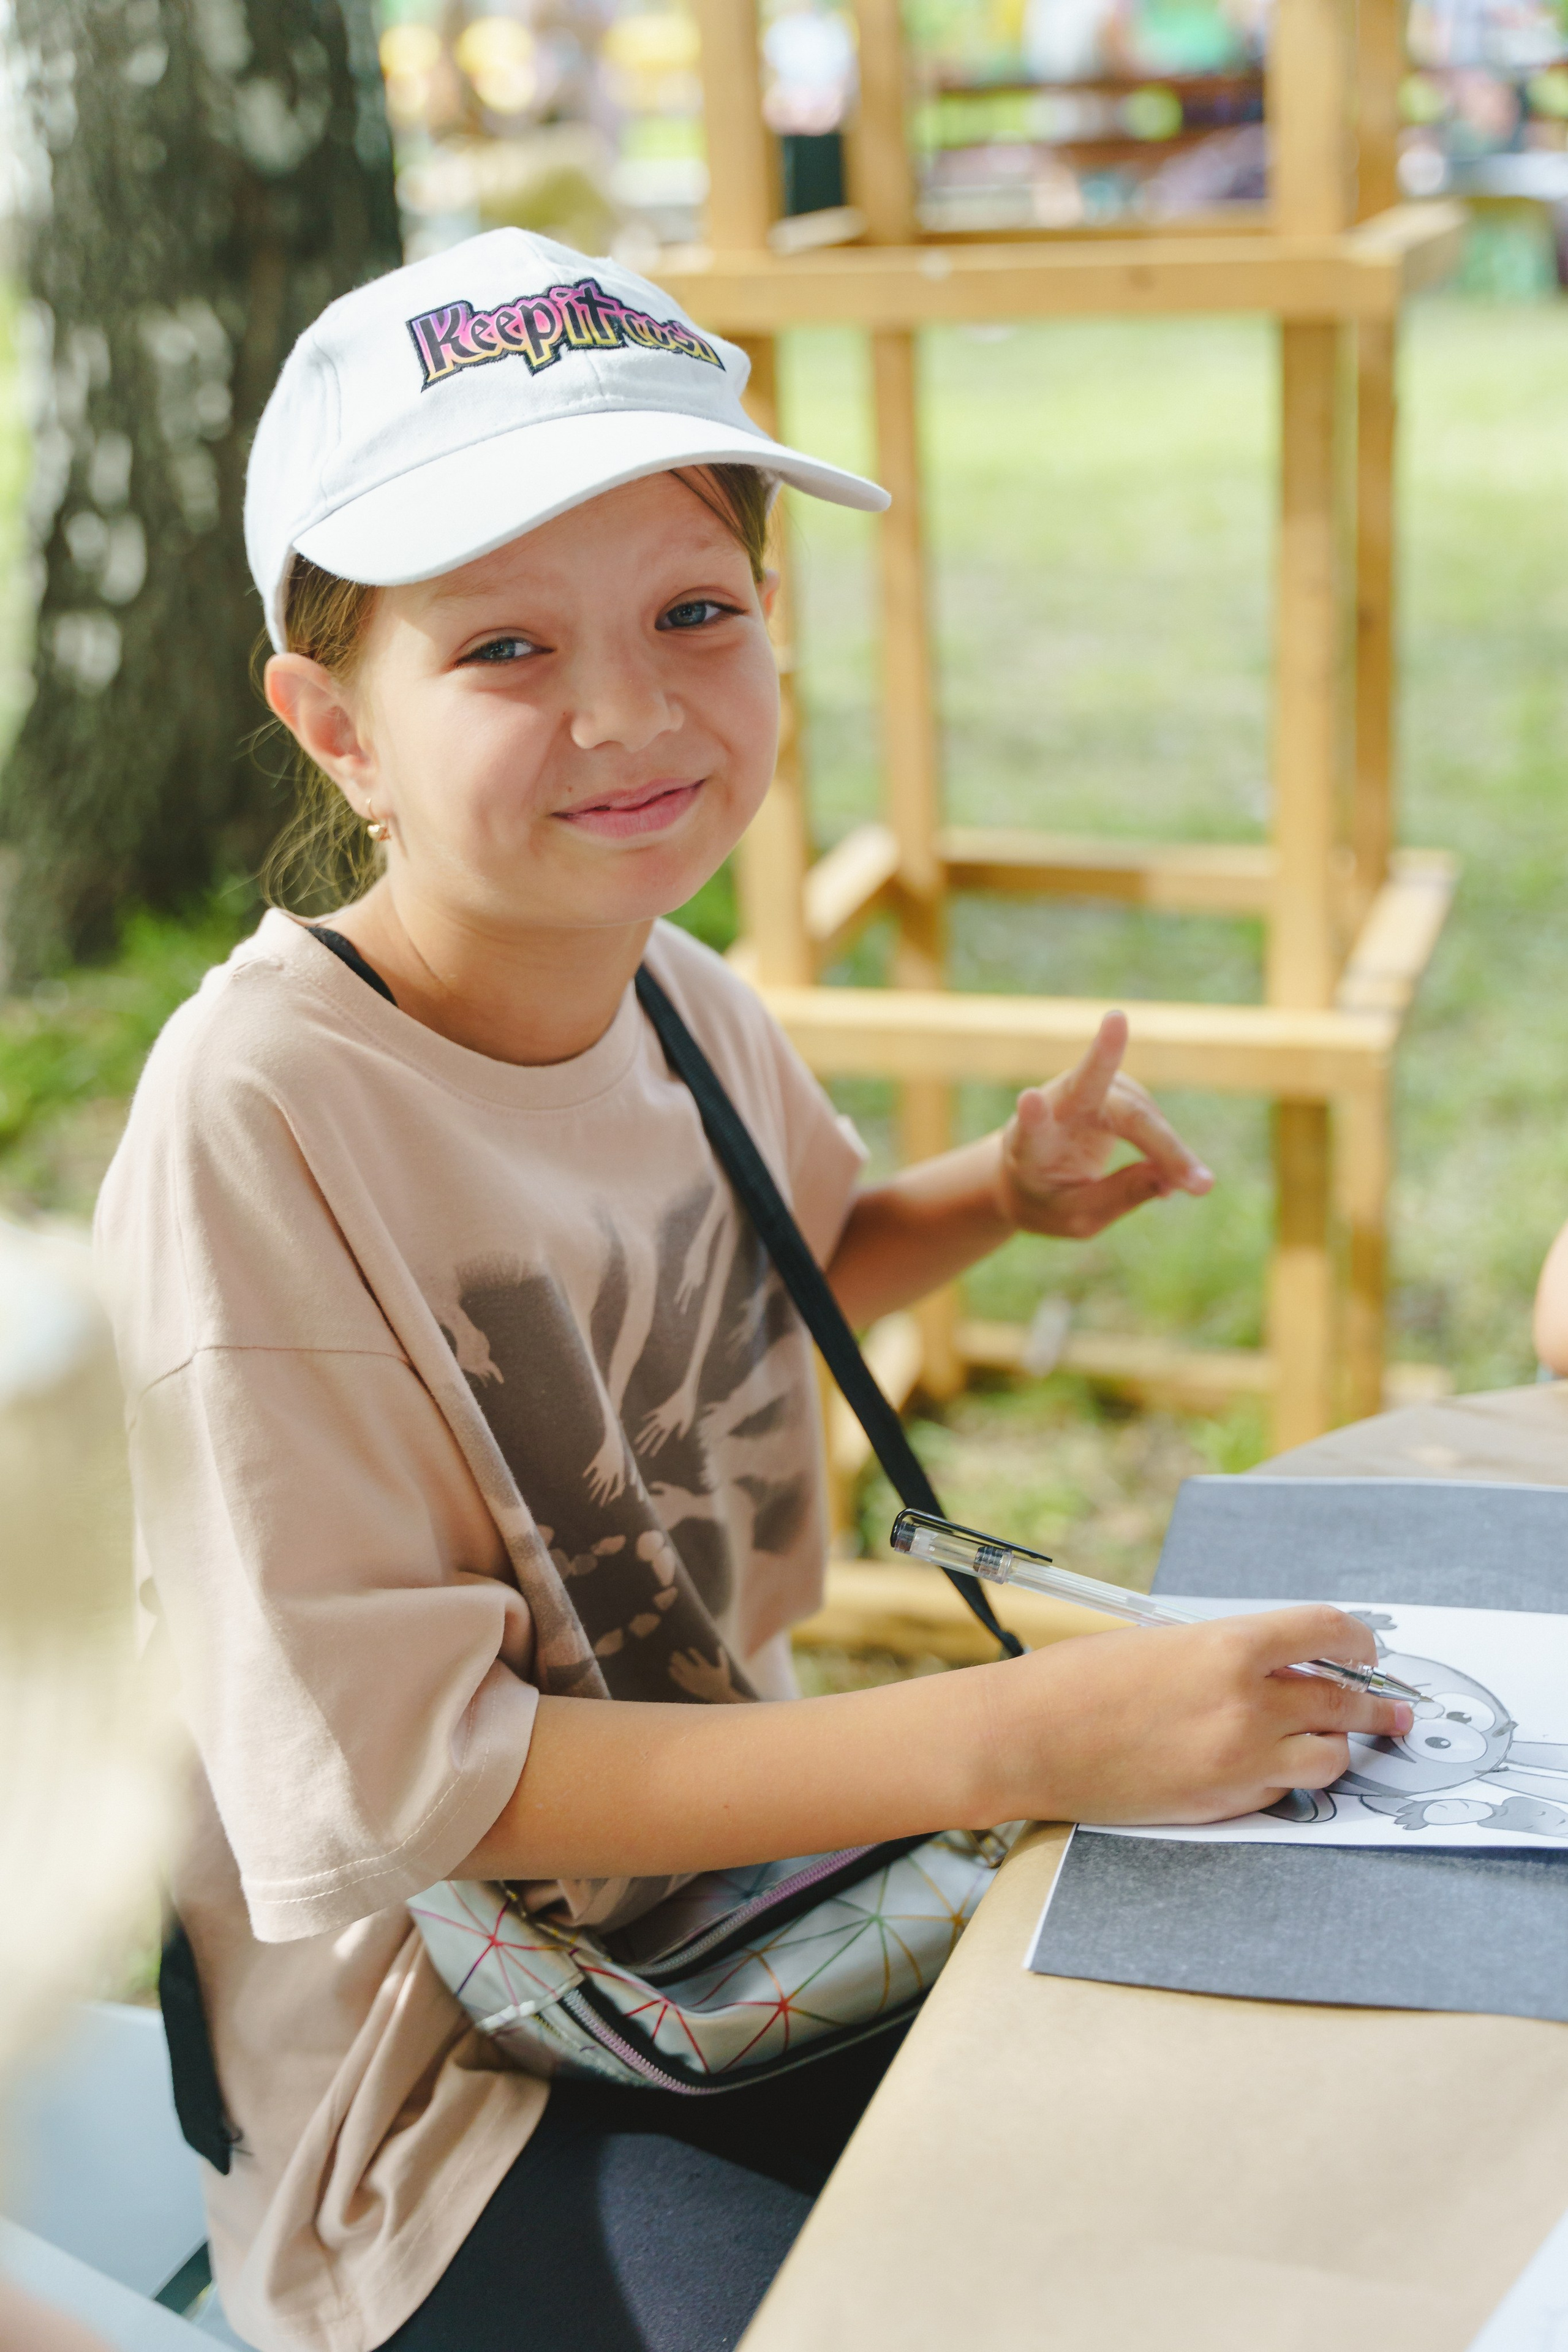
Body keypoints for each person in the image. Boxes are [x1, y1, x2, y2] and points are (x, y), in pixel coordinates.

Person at [93, 229, 1411, 2352]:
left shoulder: (677, 994)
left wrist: (995, 1197)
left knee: (1253, 2200)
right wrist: (1031, 1735)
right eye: (504, 646)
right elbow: (418, 1776)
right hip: (447, 2087)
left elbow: (761, 1286)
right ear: (338, 730)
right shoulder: (260, 1116)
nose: (630, 710)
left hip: (754, 1931)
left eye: (695, 612)